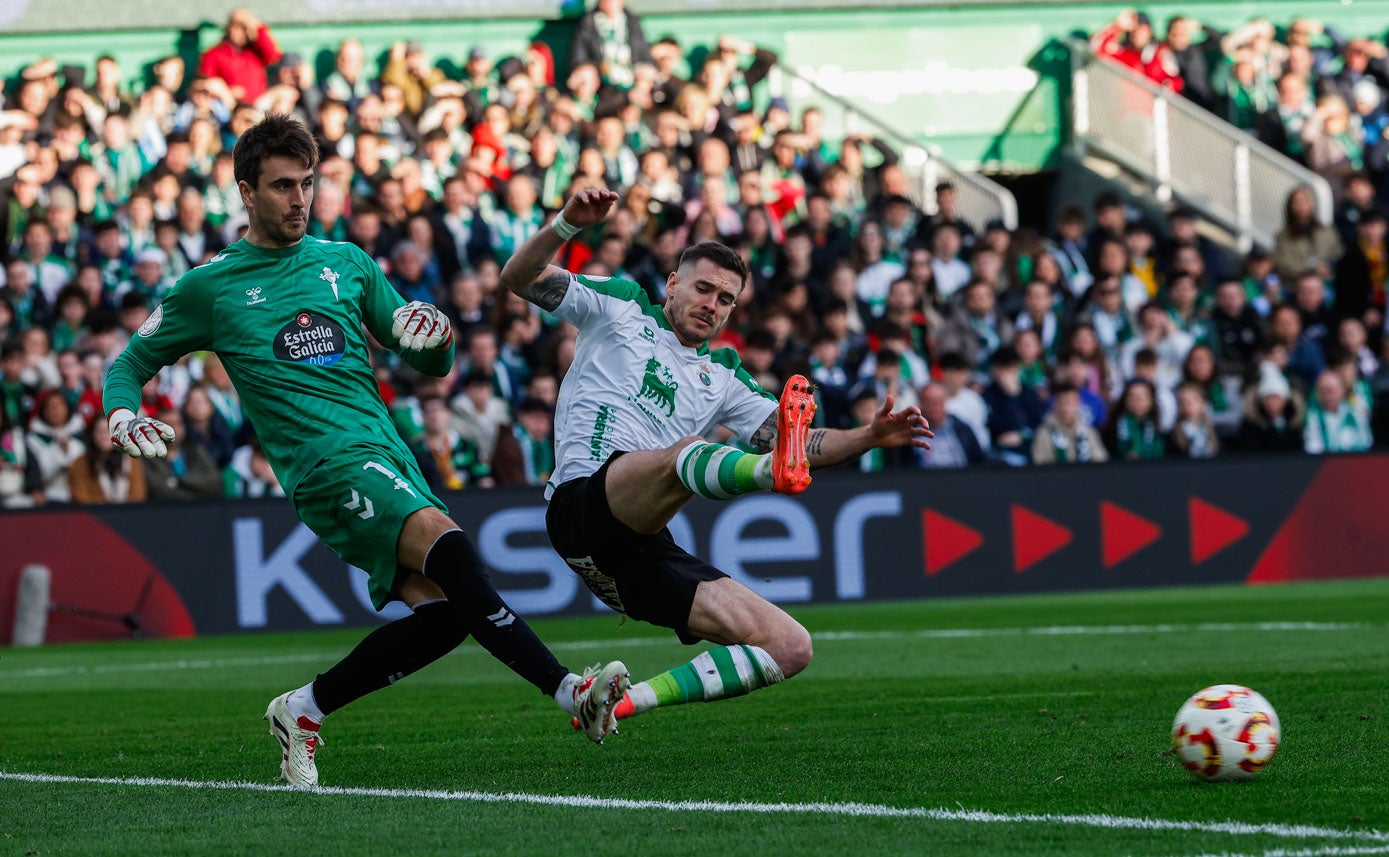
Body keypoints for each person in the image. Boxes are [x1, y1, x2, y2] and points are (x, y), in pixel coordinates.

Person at [101, 115, 630, 788]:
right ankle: (568, 693)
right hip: (326, 467)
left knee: (444, 613)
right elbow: (129, 361)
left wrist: (431, 334)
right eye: (282, 185)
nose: (298, 199)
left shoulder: (345, 263)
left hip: (389, 454)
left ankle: (304, 708)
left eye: (307, 184)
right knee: (453, 548)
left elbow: (428, 357)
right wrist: (122, 411)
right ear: (245, 192)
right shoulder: (210, 287)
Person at [499, 187, 931, 729]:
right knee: (686, 454)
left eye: (725, 299)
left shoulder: (725, 374)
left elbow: (798, 442)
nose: (712, 304)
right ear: (674, 283)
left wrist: (868, 435)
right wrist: (566, 223)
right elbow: (519, 277)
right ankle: (761, 473)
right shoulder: (622, 305)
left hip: (638, 546)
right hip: (583, 501)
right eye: (703, 288)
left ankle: (615, 703)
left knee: (789, 644)